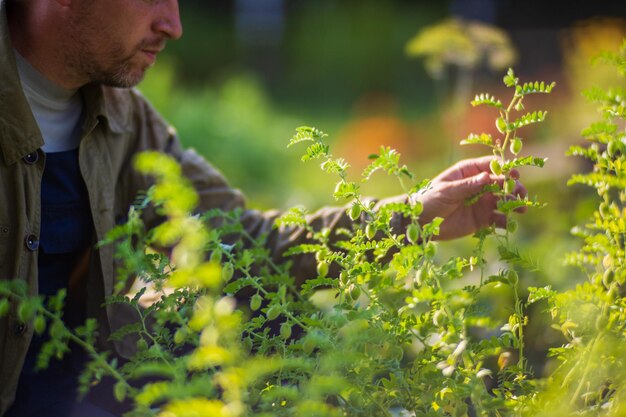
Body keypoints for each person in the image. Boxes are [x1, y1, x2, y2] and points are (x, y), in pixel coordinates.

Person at [0, 0, 527, 416]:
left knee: (282, 333)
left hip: (82, 400)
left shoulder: (125, 122)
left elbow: (242, 244)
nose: (174, 24)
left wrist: (413, 216)